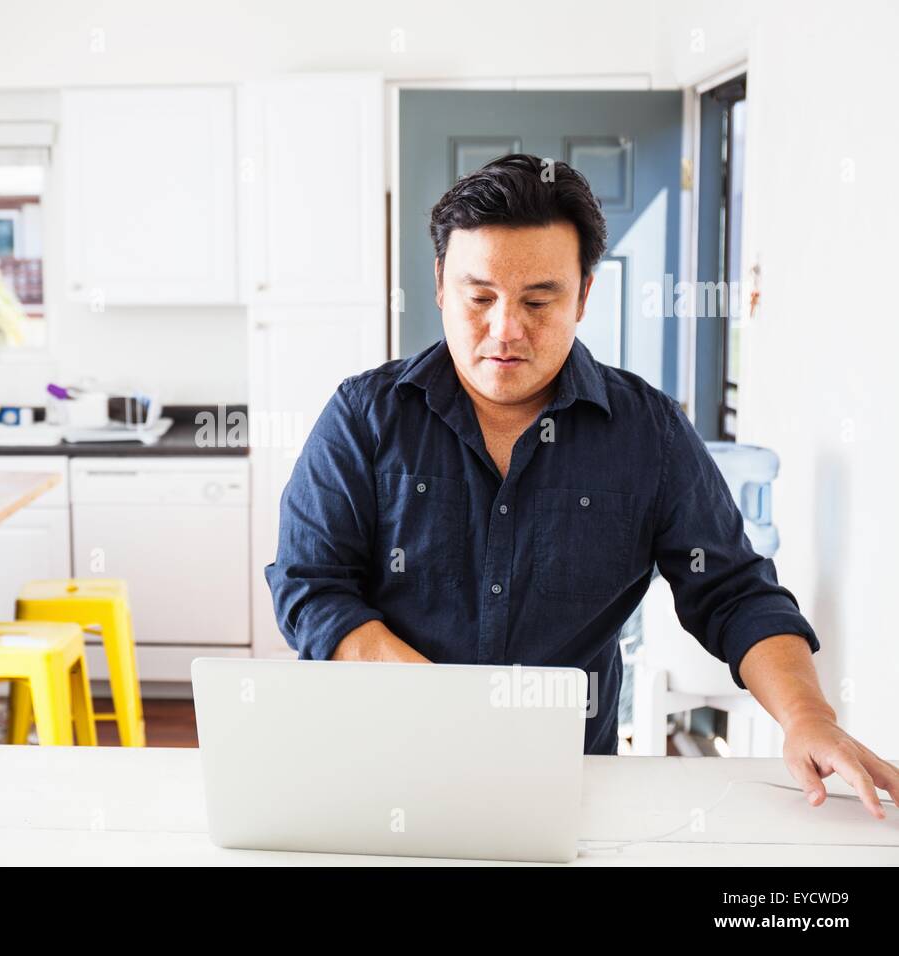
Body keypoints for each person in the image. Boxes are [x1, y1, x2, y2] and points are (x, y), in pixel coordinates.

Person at [266, 154, 897, 817]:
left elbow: (736, 593)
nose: (505, 330)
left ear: (584, 296)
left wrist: (806, 716)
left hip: (572, 787)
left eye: (539, 300)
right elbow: (311, 585)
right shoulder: (364, 417)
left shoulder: (646, 433)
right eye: (479, 297)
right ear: (440, 287)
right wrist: (447, 711)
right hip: (379, 768)